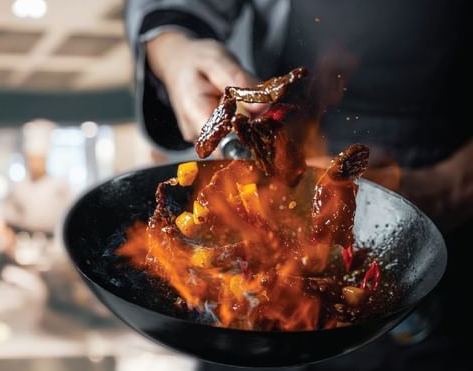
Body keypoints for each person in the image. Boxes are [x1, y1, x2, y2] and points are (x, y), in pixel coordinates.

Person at [126, 1, 471, 370]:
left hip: (445, 222)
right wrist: (175, 51)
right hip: (276, 163)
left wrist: (450, 187)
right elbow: (170, 12)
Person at [3, 119, 72, 235]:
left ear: (46, 160)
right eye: (32, 160)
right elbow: (8, 214)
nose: (35, 165)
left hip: (53, 239)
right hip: (25, 238)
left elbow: (69, 213)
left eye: (39, 160)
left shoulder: (60, 185)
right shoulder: (20, 186)